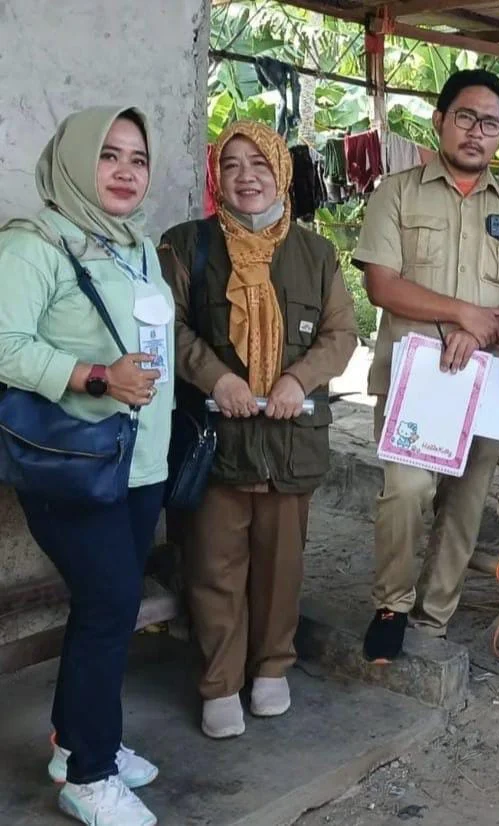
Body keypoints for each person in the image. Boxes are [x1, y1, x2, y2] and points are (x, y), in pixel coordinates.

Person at [352, 69, 499, 662]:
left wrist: (483, 329)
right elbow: (380, 284)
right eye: (466, 117)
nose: (476, 132)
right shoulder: (398, 193)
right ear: (440, 120)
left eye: (490, 124)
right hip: (415, 377)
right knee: (406, 491)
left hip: (485, 378)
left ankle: (433, 618)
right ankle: (391, 605)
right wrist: (463, 314)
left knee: (465, 503)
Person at [159, 120, 357, 739]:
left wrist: (300, 379)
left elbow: (341, 334)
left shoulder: (315, 253)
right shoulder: (186, 245)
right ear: (217, 176)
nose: (246, 177)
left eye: (260, 164)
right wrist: (215, 378)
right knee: (214, 567)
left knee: (281, 566)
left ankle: (272, 668)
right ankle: (220, 683)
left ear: (282, 172)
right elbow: (167, 327)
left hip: (290, 442)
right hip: (217, 439)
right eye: (232, 164)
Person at [0, 107, 170, 826]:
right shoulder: (32, 244)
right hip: (76, 461)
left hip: (140, 462)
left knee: (110, 608)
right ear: (74, 161)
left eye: (138, 158)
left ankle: (76, 742)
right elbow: (4, 345)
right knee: (108, 607)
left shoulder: (138, 246)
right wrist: (95, 377)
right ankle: (89, 777)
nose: (126, 171)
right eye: (108, 155)